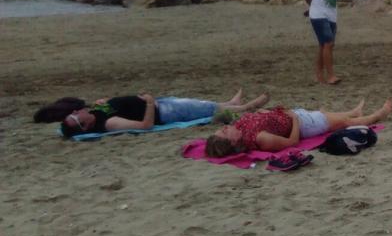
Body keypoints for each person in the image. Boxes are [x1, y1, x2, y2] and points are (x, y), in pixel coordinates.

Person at [204, 99, 392, 157]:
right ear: (233, 141)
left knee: (332, 117)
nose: (226, 127)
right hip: (302, 124)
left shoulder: (238, 127)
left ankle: (354, 111)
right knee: (343, 124)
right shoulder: (261, 139)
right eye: (224, 132)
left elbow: (251, 117)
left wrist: (262, 111)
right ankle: (376, 116)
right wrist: (294, 119)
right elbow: (292, 142)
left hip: (291, 115)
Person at [58, 90, 269, 137]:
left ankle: (230, 103)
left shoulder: (96, 113)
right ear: (84, 126)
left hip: (161, 103)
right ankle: (244, 107)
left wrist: (103, 103)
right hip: (163, 112)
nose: (78, 110)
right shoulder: (110, 124)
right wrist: (149, 104)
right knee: (204, 109)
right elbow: (145, 126)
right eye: (77, 116)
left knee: (200, 104)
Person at [305, 0, 345, 84]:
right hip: (318, 14)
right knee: (327, 43)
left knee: (325, 45)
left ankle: (318, 75)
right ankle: (331, 76)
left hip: (331, 14)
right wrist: (312, 8)